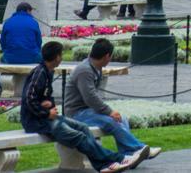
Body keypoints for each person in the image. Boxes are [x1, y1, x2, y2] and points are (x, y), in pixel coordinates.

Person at [20, 41, 146, 172]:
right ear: (57, 57)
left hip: (47, 118)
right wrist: (46, 113)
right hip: (36, 122)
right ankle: (117, 159)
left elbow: (43, 96)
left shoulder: (47, 72)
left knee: (83, 128)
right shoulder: (39, 73)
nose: (62, 57)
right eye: (61, 54)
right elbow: (28, 98)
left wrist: (48, 104)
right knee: (78, 136)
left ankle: (103, 166)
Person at [65, 38, 160, 162]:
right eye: (111, 57)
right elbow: (90, 98)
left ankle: (129, 154)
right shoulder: (85, 70)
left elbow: (93, 97)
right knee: (112, 121)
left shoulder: (94, 68)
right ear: (107, 56)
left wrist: (108, 112)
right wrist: (109, 111)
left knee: (122, 119)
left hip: (88, 110)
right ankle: (137, 148)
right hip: (76, 113)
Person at [0, 1, 43, 65]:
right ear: (28, 11)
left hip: (10, 58)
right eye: (31, 11)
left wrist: (7, 52)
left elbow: (2, 41)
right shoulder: (33, 22)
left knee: (3, 58)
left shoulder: (8, 22)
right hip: (32, 56)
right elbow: (39, 41)